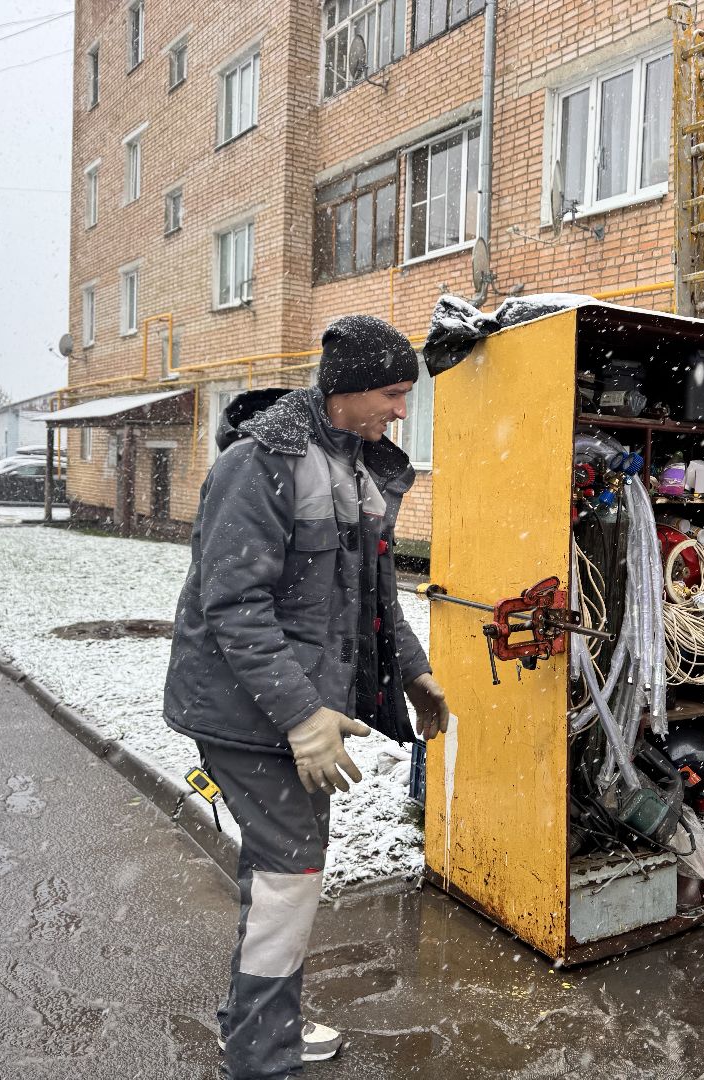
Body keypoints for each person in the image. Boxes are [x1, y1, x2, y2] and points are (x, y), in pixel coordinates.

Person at [164, 314, 449, 1080]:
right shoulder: (260, 467)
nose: (400, 411)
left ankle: (264, 1025)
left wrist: (411, 671)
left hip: (299, 714)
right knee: (289, 879)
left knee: (285, 872)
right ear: (349, 388)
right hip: (246, 713)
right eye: (393, 394)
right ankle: (261, 1055)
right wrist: (300, 715)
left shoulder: (353, 466)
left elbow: (369, 594)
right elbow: (233, 606)